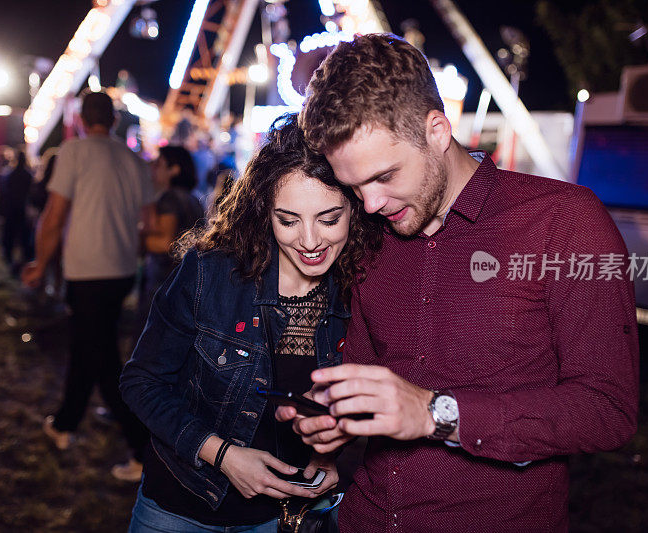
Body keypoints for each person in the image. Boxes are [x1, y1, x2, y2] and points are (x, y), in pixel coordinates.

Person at [276, 34, 640, 532]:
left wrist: (436, 414)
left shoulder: (564, 221)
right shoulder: (371, 235)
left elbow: (608, 409)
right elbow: (363, 369)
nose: (370, 204)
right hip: (364, 518)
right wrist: (335, 416)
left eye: (384, 175)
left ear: (437, 130)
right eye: (353, 186)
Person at [119, 115, 383, 532]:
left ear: (356, 208)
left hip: (280, 519)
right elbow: (141, 383)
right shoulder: (211, 273)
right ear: (264, 213)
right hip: (181, 505)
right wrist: (222, 455)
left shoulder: (366, 288)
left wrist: (328, 455)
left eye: (329, 219)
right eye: (288, 220)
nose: (310, 240)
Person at [21, 91, 152, 481]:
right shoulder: (133, 160)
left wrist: (41, 263)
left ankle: (141, 447)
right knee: (90, 347)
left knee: (100, 356)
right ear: (113, 120)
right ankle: (64, 424)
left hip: (87, 270)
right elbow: (146, 222)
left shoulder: (73, 152)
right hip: (122, 269)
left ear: (80, 120)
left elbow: (55, 213)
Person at [139, 145, 204, 322]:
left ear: (174, 170)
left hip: (165, 281)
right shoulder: (193, 198)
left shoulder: (171, 198)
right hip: (185, 281)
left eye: (158, 164)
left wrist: (133, 240)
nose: (153, 169)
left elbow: (165, 243)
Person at [0, 149, 34, 274]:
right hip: (22, 209)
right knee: (23, 236)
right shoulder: (28, 174)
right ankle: (25, 258)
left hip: (12, 208)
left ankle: (9, 256)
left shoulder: (11, 174)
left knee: (10, 234)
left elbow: (5, 191)